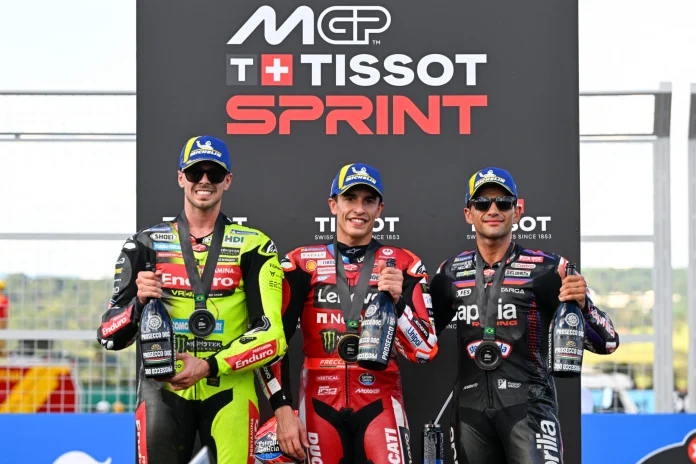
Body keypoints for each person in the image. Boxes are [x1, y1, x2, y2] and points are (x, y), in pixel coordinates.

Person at [97, 135, 287, 464]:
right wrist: (139, 304)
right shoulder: (144, 244)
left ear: (227, 180)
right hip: (163, 390)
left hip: (229, 387)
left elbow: (273, 337)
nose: (204, 181)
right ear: (180, 177)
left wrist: (209, 365)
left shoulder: (254, 246)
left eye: (214, 173)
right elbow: (108, 336)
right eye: (195, 172)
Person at [429, 167, 619, 464]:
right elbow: (421, 340)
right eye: (482, 203)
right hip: (469, 413)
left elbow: (607, 343)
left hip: (529, 408)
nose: (493, 210)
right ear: (469, 213)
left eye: (503, 202)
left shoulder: (549, 268)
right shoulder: (450, 271)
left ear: (517, 211)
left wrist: (584, 307)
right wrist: (397, 303)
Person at [257, 163, 439, 464]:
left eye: (368, 200)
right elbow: (271, 342)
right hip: (318, 401)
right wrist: (283, 409)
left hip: (380, 400)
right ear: (333, 205)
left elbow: (425, 351)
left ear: (380, 209)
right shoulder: (301, 263)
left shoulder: (402, 263)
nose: (359, 209)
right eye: (350, 198)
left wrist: (398, 305)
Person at [0, 280, 8, 357]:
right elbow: (6, 312)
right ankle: (3, 355)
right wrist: (6, 323)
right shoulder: (4, 299)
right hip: (2, 321)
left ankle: (3, 355)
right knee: (2, 339)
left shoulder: (3, 299)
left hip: (2, 321)